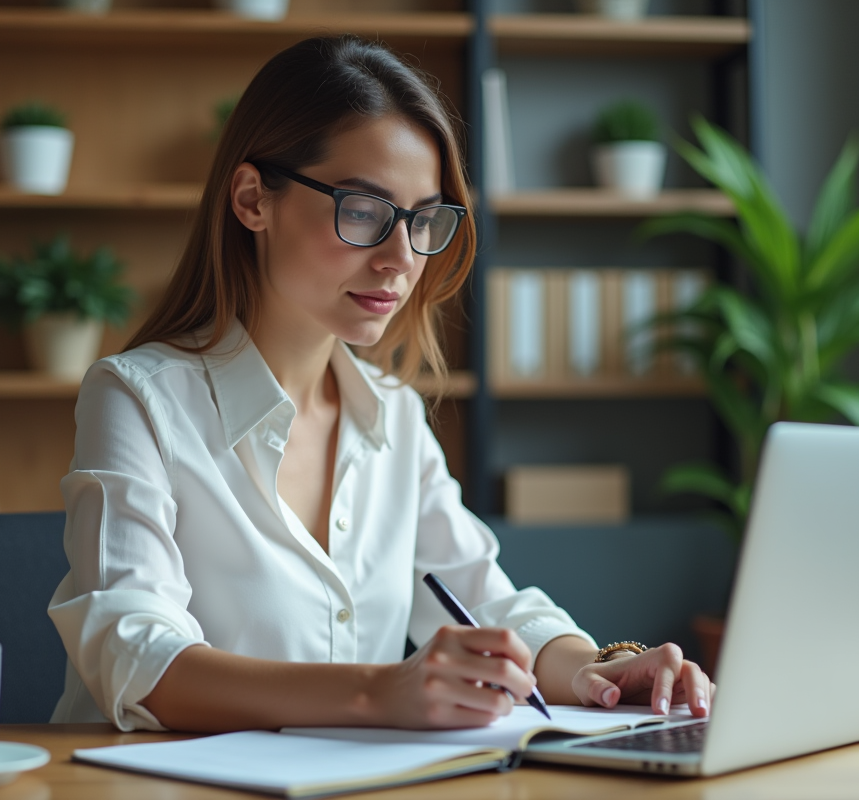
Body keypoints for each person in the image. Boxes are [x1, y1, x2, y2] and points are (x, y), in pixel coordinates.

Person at [47, 34, 713, 733]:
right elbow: (135, 653)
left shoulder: (393, 417)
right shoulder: (138, 397)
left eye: (425, 219)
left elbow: (488, 603)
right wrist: (378, 694)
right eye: (363, 211)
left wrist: (591, 671)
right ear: (252, 199)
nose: (401, 258)